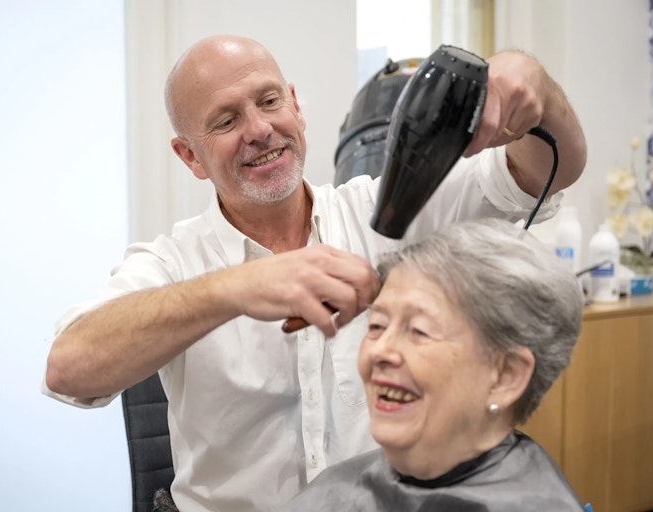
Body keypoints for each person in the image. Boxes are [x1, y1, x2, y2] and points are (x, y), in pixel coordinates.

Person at [43, 34, 587, 512]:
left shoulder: (389, 209)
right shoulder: (172, 263)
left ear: (296, 106)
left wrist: (534, 85)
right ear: (189, 156)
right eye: (226, 121)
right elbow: (68, 367)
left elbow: (545, 169)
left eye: (269, 101)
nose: (259, 129)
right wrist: (236, 288)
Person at [279, 218, 586, 511]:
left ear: (505, 376)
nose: (380, 351)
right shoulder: (334, 490)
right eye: (377, 326)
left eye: (419, 331)